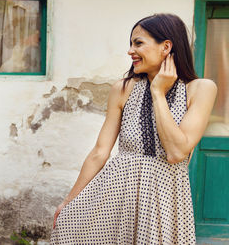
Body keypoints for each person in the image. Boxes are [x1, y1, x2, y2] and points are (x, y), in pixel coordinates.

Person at [51, 13, 217, 244]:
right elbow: (100, 152)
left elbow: (177, 152)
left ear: (166, 47)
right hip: (117, 197)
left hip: (164, 200)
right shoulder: (123, 88)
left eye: (138, 43)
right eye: (131, 43)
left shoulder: (201, 89)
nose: (130, 51)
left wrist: (158, 92)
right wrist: (68, 201)